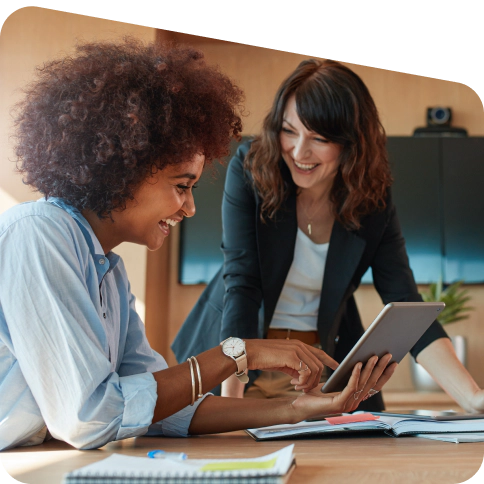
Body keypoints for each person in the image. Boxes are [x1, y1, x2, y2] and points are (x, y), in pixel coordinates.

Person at [0, 38, 396, 452]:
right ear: (124, 170)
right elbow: (92, 416)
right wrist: (237, 352)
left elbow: (163, 409)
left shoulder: (109, 272)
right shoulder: (38, 235)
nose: (189, 207)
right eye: (181, 186)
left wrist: (295, 409)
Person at [172, 58, 484, 413]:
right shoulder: (251, 170)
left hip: (320, 368)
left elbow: (406, 304)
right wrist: (231, 404)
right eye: (289, 130)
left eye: (319, 138)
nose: (299, 152)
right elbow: (242, 284)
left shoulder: (372, 200)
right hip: (240, 361)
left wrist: (474, 399)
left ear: (351, 143)